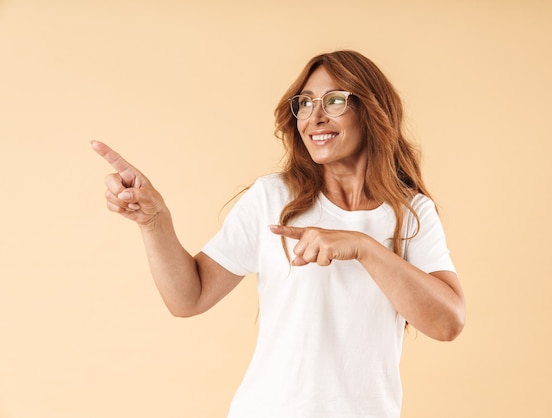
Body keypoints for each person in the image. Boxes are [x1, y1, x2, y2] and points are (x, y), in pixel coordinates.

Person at [92, 49, 465, 418]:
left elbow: (448, 323)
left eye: (334, 101)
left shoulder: (411, 213)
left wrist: (364, 248)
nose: (314, 117)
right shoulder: (273, 198)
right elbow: (189, 298)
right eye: (304, 103)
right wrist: (154, 222)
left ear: (372, 110)